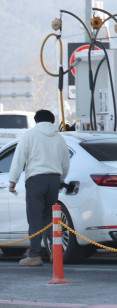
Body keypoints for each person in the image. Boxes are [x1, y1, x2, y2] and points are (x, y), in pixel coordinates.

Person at [8, 109, 70, 267]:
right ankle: (55, 254)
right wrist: (61, 178)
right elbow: (65, 161)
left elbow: (19, 158)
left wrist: (13, 180)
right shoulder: (59, 138)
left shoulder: (30, 135)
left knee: (35, 217)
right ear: (52, 121)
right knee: (51, 218)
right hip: (54, 179)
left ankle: (34, 255)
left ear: (36, 120)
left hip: (36, 179)